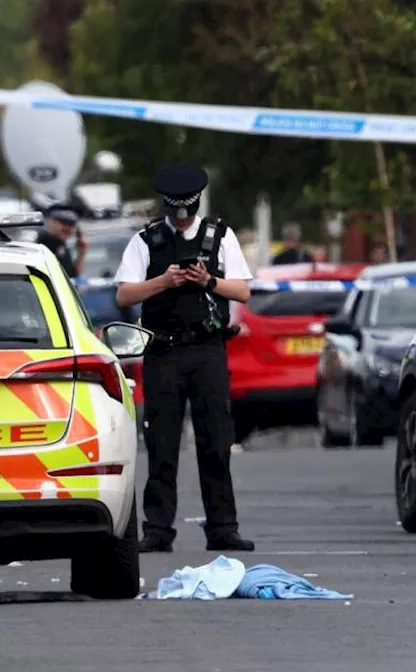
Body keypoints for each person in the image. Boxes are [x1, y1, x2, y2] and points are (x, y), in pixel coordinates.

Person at [114, 164, 256, 553]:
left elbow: (242, 292)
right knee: (161, 443)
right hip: (163, 351)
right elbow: (124, 295)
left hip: (208, 349)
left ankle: (223, 527)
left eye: (187, 214)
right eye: (177, 214)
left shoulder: (220, 237)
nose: (182, 222)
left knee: (216, 440)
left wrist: (207, 281)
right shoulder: (146, 241)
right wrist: (165, 281)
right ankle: (158, 529)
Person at [35, 203, 86, 278]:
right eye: (65, 224)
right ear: (51, 222)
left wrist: (81, 254)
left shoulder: (61, 245)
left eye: (72, 225)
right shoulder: (43, 243)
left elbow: (74, 277)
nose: (70, 230)